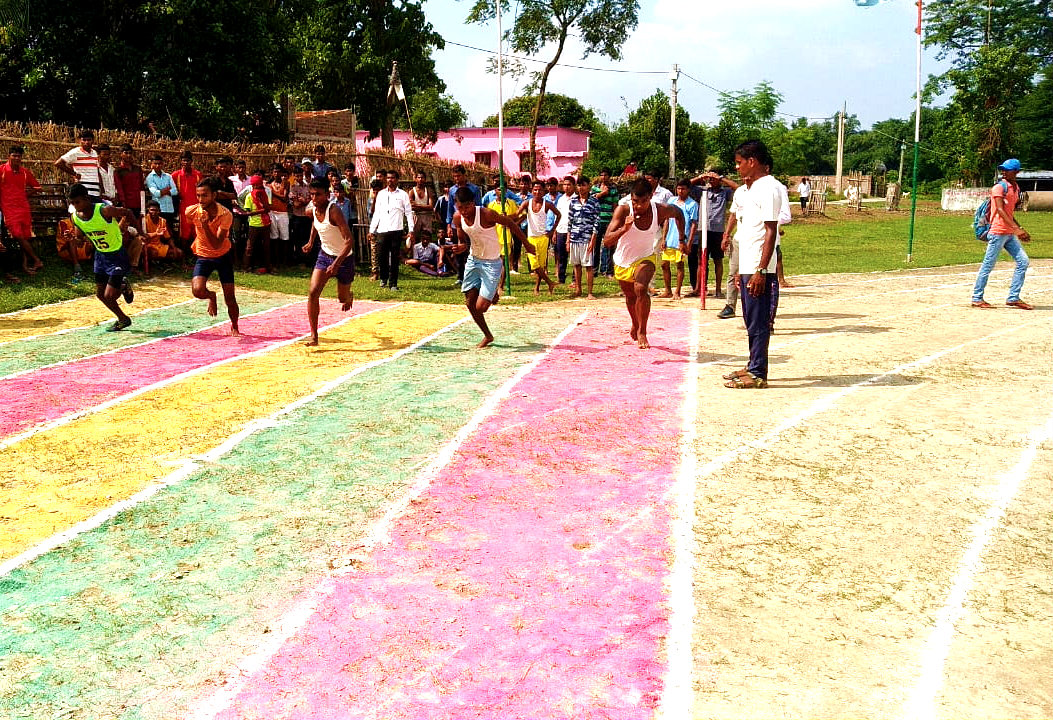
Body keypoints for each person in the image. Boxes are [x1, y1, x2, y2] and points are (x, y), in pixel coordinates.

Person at [722, 140, 783, 389]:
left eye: (739, 163)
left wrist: (760, 270)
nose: (737, 168)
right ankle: (752, 363)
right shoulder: (749, 190)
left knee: (758, 321)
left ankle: (759, 373)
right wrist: (740, 271)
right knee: (750, 318)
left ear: (752, 161)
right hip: (747, 265)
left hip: (760, 268)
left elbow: (770, 231)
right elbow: (747, 230)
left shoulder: (769, 188)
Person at [604, 178, 686, 349]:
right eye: (635, 201)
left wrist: (681, 238)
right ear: (630, 198)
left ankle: (643, 331)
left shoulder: (661, 210)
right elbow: (607, 241)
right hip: (623, 260)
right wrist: (624, 229)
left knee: (641, 288)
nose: (639, 206)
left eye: (643, 201)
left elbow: (678, 214)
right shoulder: (623, 210)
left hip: (646, 257)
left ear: (651, 197)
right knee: (630, 296)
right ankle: (635, 323)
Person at [452, 186, 534, 348]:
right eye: (460, 208)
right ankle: (488, 335)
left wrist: (527, 243)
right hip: (473, 260)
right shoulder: (457, 218)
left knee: (480, 307)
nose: (464, 211)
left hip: (491, 263)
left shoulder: (486, 214)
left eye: (467, 207)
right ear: (456, 205)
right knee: (469, 303)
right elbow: (462, 240)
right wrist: (462, 246)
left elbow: (510, 223)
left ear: (473, 203)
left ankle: (492, 291)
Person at [68, 183, 136, 331]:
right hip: (100, 256)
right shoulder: (75, 218)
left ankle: (122, 285)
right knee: (100, 294)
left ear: (86, 199)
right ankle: (123, 318)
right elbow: (80, 242)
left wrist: (139, 231)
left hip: (117, 254)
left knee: (110, 295)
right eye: (72, 203)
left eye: (77, 202)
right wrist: (73, 239)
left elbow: (127, 212)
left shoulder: (104, 210)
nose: (75, 206)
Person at [971, 158, 1032, 310]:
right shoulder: (999, 187)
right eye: (1002, 169)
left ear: (1016, 172)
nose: (1004, 172)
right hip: (998, 232)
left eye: (1007, 169)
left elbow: (1009, 213)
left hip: (1009, 232)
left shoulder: (1016, 188)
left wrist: (1019, 228)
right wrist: (1016, 229)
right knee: (988, 265)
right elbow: (999, 209)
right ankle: (977, 298)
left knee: (1023, 261)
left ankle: (1013, 297)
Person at [302, 178, 355, 346]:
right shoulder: (311, 210)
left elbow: (349, 241)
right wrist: (311, 242)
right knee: (313, 292)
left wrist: (337, 264)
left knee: (342, 299)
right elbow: (315, 224)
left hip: (344, 258)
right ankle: (314, 335)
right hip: (325, 255)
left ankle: (349, 296)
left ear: (327, 194)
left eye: (318, 194)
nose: (314, 198)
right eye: (311, 194)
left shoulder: (334, 211)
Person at [185, 178, 239, 335]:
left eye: (205, 195)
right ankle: (212, 296)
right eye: (198, 196)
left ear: (214, 195)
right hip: (203, 255)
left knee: (230, 297)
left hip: (223, 256)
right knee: (197, 290)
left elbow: (216, 243)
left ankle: (234, 325)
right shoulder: (192, 211)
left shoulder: (226, 214)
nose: (201, 200)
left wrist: (205, 225)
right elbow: (191, 226)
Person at [693, 171, 739, 303]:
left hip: (717, 230)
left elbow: (737, 188)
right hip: (703, 229)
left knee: (718, 260)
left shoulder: (725, 192)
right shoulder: (702, 191)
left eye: (713, 179)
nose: (711, 181)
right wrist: (701, 177)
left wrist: (721, 178)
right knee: (701, 261)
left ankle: (718, 289)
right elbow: (686, 185)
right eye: (709, 179)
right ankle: (699, 288)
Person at [0, 145, 44, 275]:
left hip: (24, 208)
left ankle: (25, 266)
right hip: (8, 209)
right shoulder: (2, 170)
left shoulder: (25, 172)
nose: (16, 158)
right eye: (14, 155)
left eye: (19, 156)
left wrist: (25, 194)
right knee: (18, 236)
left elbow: (38, 188)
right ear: (9, 156)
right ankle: (36, 260)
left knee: (26, 237)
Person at [368, 169, 412, 290]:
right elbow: (377, 213)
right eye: (388, 178)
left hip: (396, 230)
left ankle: (393, 284)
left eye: (392, 178)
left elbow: (408, 213)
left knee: (394, 258)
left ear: (397, 180)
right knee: (381, 256)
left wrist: (411, 230)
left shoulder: (403, 194)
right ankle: (383, 279)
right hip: (382, 230)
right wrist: (372, 230)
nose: (389, 180)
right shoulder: (381, 194)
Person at [519, 178, 559, 294]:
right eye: (535, 190)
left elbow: (559, 215)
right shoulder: (527, 203)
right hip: (531, 238)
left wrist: (552, 231)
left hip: (543, 237)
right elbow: (517, 213)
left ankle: (537, 287)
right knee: (534, 264)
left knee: (541, 265)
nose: (537, 192)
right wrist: (507, 217)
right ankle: (549, 282)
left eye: (540, 190)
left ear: (543, 191)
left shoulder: (547, 204)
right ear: (532, 191)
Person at [659, 179, 697, 299]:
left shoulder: (692, 204)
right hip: (669, 238)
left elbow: (693, 225)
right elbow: (666, 220)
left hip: (681, 239)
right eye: (679, 188)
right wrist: (663, 238)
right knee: (664, 264)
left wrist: (689, 242)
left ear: (688, 190)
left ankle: (677, 291)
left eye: (683, 189)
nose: (680, 191)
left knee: (679, 265)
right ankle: (668, 290)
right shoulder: (671, 201)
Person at [567, 176, 600, 299]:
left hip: (587, 237)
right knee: (576, 265)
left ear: (589, 186)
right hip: (575, 236)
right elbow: (570, 221)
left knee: (589, 266)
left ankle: (590, 292)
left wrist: (593, 239)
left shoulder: (594, 202)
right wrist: (568, 239)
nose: (581, 188)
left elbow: (597, 221)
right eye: (579, 185)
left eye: (583, 185)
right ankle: (578, 289)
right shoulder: (573, 201)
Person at [55, 130, 100, 198]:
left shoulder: (95, 153)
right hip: (83, 189)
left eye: (89, 140)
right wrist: (74, 174)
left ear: (93, 140)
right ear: (79, 141)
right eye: (84, 140)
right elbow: (58, 163)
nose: (86, 142)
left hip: (95, 190)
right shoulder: (75, 152)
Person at [171, 151, 202, 251]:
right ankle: (183, 255)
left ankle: (197, 253)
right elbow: (172, 191)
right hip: (183, 207)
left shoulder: (197, 175)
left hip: (197, 206)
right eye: (184, 160)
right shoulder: (176, 175)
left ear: (191, 161)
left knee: (197, 230)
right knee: (184, 230)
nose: (186, 163)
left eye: (188, 160)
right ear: (181, 162)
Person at [243, 174, 272, 274]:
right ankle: (246, 267)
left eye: (260, 186)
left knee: (266, 246)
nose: (259, 188)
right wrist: (262, 211)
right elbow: (247, 213)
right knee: (250, 246)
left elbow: (268, 208)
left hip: (266, 224)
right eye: (257, 186)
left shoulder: (264, 194)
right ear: (253, 186)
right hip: (254, 225)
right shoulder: (249, 196)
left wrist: (264, 208)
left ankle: (268, 267)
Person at [591, 168, 617, 276]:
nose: (603, 177)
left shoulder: (614, 189)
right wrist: (602, 193)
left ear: (609, 176)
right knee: (595, 247)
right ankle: (594, 270)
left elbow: (615, 206)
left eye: (606, 175)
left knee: (610, 247)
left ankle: (609, 271)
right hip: (597, 220)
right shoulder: (594, 188)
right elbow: (591, 200)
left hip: (609, 221)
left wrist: (615, 221)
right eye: (601, 175)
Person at [444, 164, 481, 238]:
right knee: (459, 245)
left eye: (458, 176)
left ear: (464, 175)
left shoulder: (474, 189)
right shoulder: (452, 190)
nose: (456, 178)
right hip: (457, 223)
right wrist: (449, 225)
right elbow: (450, 208)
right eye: (454, 176)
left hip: (471, 222)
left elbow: (478, 206)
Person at [142, 199, 183, 264]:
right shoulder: (144, 220)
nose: (154, 212)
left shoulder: (162, 221)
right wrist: (156, 233)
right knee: (154, 253)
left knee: (179, 253)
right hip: (148, 245)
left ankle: (160, 261)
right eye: (152, 210)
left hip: (159, 245)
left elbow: (168, 237)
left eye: (156, 210)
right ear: (148, 210)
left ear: (159, 211)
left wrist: (174, 248)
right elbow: (143, 236)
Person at [145, 155, 178, 229]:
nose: (157, 166)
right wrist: (167, 190)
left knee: (169, 231)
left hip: (169, 209)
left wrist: (162, 191)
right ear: (152, 165)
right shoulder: (150, 177)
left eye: (159, 163)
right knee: (159, 231)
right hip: (158, 210)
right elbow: (156, 193)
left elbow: (175, 191)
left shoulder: (168, 176)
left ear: (162, 164)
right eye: (155, 163)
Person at [114, 144, 145, 216]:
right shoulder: (118, 171)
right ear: (121, 154)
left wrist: (143, 203)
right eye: (126, 153)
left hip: (138, 203)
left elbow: (142, 186)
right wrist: (123, 203)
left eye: (130, 153)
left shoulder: (138, 169)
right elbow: (119, 189)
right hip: (126, 204)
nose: (128, 155)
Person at [553, 176, 572, 283]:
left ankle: (575, 279)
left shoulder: (576, 199)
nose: (566, 187)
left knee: (573, 257)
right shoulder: (560, 199)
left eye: (569, 184)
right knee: (561, 256)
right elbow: (557, 216)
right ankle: (561, 278)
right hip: (560, 230)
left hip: (573, 231)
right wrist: (555, 231)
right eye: (565, 184)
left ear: (573, 186)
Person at [409, 171, 437, 241]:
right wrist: (425, 207)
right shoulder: (412, 191)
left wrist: (417, 205)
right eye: (419, 177)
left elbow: (431, 207)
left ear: (425, 179)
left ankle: (428, 251)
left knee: (427, 236)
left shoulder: (428, 191)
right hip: (416, 216)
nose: (420, 179)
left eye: (422, 177)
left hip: (427, 216)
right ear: (416, 179)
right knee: (414, 237)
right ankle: (414, 251)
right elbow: (411, 207)